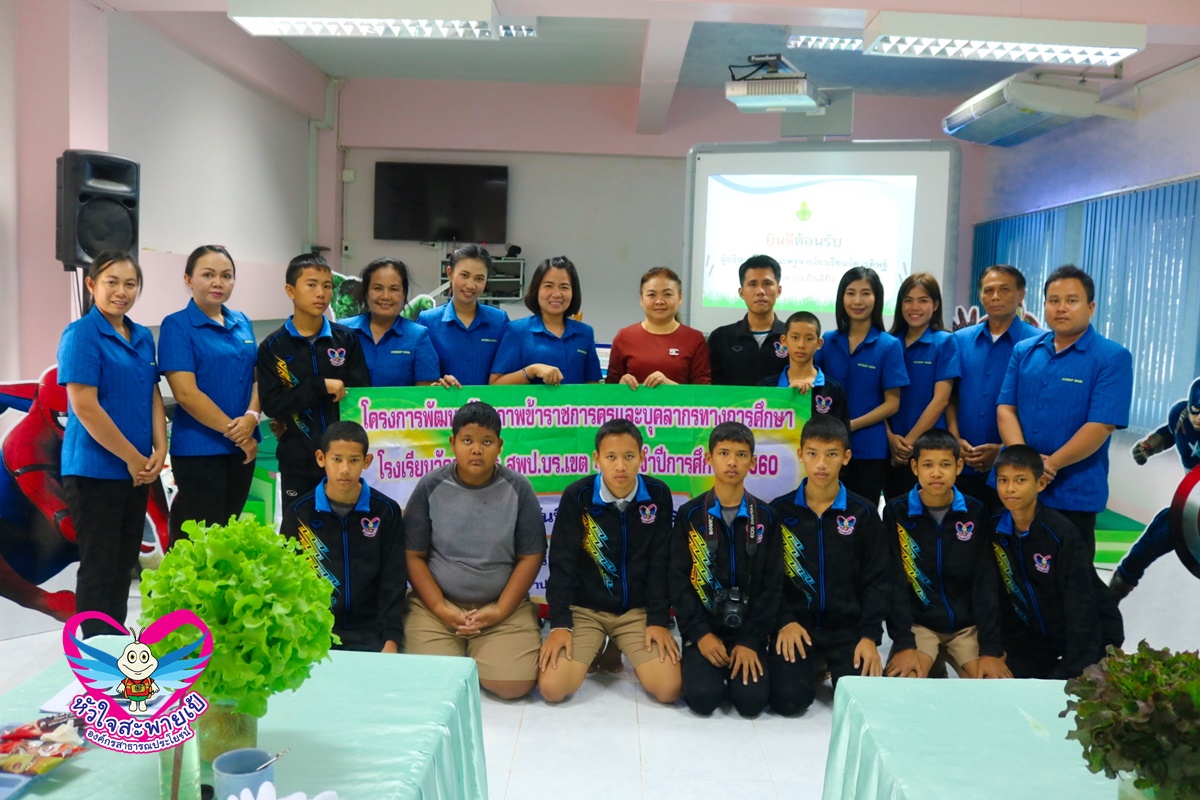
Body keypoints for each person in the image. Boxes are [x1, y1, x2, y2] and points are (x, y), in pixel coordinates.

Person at [57, 251, 166, 638]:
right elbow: (85, 406)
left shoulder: (141, 336)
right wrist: (134, 457)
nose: (122, 291)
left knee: (124, 564)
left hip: (136, 471)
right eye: (112, 282)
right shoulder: (81, 334)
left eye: (130, 284)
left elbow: (152, 393)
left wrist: (160, 448)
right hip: (94, 471)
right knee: (99, 565)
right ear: (91, 285)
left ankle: (115, 643)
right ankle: (92, 653)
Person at [403, 401, 545, 699]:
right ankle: (459, 647)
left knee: (513, 686)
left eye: (486, 442)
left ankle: (489, 645)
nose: (477, 450)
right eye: (467, 441)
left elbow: (531, 556)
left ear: (500, 446)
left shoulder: (519, 488)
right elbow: (413, 555)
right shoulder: (430, 486)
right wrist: (441, 608)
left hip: (501, 607)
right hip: (436, 607)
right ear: (452, 443)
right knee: (432, 684)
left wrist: (500, 610)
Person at [997, 265, 1134, 563]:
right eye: (1054, 300)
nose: (1061, 308)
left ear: (1091, 307)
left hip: (1073, 490)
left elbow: (1101, 425)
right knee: (1012, 570)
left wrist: (1049, 465)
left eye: (1071, 300)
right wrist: (1025, 462)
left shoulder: (1112, 357)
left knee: (1070, 578)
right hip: (1015, 485)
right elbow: (1006, 408)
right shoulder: (1024, 350)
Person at [538, 419, 681, 704]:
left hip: (635, 612)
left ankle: (617, 643)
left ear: (642, 457)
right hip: (586, 611)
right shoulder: (578, 496)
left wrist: (657, 620)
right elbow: (562, 562)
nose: (620, 466)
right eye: (611, 457)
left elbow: (660, 560)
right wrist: (560, 624)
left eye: (629, 456)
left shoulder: (658, 495)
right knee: (553, 690)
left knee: (668, 690)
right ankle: (595, 644)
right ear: (597, 458)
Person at [767, 416, 887, 716]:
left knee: (865, 703)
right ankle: (813, 663)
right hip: (797, 627)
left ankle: (828, 662)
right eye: (813, 453)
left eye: (831, 454)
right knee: (789, 702)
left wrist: (869, 637)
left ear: (846, 457)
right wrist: (784, 621)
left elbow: (877, 579)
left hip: (847, 629)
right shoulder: (779, 511)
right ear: (801, 455)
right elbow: (768, 578)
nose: (821, 464)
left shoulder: (863, 512)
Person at [670, 422, 782, 717]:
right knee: (703, 699)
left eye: (741, 455)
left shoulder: (767, 517)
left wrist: (751, 640)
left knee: (752, 702)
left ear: (753, 462)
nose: (732, 462)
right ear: (709, 458)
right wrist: (700, 634)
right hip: (704, 630)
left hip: (749, 630)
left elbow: (773, 585)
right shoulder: (690, 514)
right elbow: (678, 581)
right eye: (724, 453)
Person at [883, 429, 1009, 680]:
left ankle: (939, 661)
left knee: (995, 688)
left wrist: (991, 648)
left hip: (966, 627)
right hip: (920, 626)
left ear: (959, 466)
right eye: (928, 465)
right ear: (915, 467)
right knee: (901, 688)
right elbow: (893, 581)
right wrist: (904, 643)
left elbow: (985, 581)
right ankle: (932, 662)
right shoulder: (896, 511)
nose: (936, 473)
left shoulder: (975, 511)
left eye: (945, 465)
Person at [159, 245, 260, 546]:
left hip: (243, 449)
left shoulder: (242, 321)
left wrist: (252, 417)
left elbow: (258, 378)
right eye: (208, 275)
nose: (218, 282)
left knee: (227, 538)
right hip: (199, 451)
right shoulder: (177, 325)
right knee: (202, 543)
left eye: (226, 276)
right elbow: (186, 393)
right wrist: (239, 434)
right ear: (188, 279)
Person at [280, 421, 406, 653]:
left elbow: (393, 580)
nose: (345, 469)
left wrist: (391, 639)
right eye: (337, 459)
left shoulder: (386, 511)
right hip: (314, 632)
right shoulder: (299, 512)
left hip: (371, 633)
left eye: (354, 460)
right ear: (321, 458)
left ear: (367, 461)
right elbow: (286, 578)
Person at [988, 445, 1112, 679]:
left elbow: (1080, 603)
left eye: (1020, 480)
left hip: (1089, 635)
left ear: (1041, 484)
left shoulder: (1061, 533)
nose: (1010, 488)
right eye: (1003, 480)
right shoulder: (994, 526)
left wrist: (1074, 666)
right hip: (1037, 638)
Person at [258, 253, 370, 504]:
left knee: (343, 522)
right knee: (299, 525)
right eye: (311, 285)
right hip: (297, 461)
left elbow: (361, 397)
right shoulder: (273, 347)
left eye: (327, 286)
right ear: (290, 290)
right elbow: (272, 404)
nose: (321, 293)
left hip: (343, 462)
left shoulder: (346, 339)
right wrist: (319, 386)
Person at [815, 267, 909, 506]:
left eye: (865, 293)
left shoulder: (888, 345)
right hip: (826, 447)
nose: (858, 301)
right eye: (851, 293)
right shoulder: (828, 340)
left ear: (876, 298)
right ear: (841, 298)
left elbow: (892, 404)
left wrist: (850, 425)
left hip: (869, 449)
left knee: (863, 514)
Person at [947, 265, 1039, 510]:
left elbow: (1039, 407)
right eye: (988, 290)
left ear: (1021, 295)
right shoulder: (959, 340)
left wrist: (1003, 450)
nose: (995, 296)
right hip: (962, 463)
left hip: (1014, 468)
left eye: (1004, 290)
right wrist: (955, 439)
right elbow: (950, 397)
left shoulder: (1038, 343)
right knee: (963, 529)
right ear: (980, 296)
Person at [1110, 377, 1200, 601]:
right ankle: (1107, 607)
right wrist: (1149, 446)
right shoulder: (1180, 416)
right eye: (1196, 411)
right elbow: (1170, 432)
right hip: (1192, 509)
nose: (1199, 418)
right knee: (1142, 551)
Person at [884, 273, 960, 501]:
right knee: (893, 511)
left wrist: (908, 443)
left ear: (935, 305)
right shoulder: (888, 342)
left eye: (923, 300)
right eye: (908, 300)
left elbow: (941, 400)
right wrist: (890, 438)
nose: (914, 307)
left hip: (930, 449)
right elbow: (877, 397)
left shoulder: (945, 342)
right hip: (890, 448)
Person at [490, 256, 602, 386]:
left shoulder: (585, 333)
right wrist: (531, 370)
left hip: (575, 401)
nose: (556, 294)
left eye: (564, 287)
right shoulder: (517, 330)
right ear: (536, 290)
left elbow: (593, 384)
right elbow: (495, 384)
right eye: (548, 286)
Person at [416, 244, 509, 387]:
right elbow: (423, 378)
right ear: (450, 273)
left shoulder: (499, 320)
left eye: (479, 278)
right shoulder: (428, 321)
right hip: (446, 400)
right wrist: (437, 385)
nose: (471, 285)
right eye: (464, 275)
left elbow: (506, 373)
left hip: (488, 401)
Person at [340, 258, 440, 387]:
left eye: (394, 289)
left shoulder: (418, 336)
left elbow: (425, 393)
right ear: (366, 292)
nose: (385, 296)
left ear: (404, 294)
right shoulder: (343, 331)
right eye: (378, 288)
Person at [607, 267, 711, 388]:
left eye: (667, 294)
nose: (659, 301)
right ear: (641, 299)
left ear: (680, 298)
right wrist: (620, 386)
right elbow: (608, 391)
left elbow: (703, 393)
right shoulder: (624, 337)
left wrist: (669, 387)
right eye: (651, 295)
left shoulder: (695, 339)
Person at [758, 311, 850, 432]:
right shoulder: (766, 386)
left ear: (819, 343)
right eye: (795, 337)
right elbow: (759, 431)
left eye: (809, 339)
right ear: (784, 340)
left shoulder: (833, 389)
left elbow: (841, 436)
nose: (801, 345)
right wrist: (785, 396)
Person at [707, 255, 788, 386]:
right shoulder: (721, 338)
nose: (760, 291)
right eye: (752, 284)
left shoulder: (792, 337)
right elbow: (712, 388)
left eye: (767, 284)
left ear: (779, 290)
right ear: (741, 292)